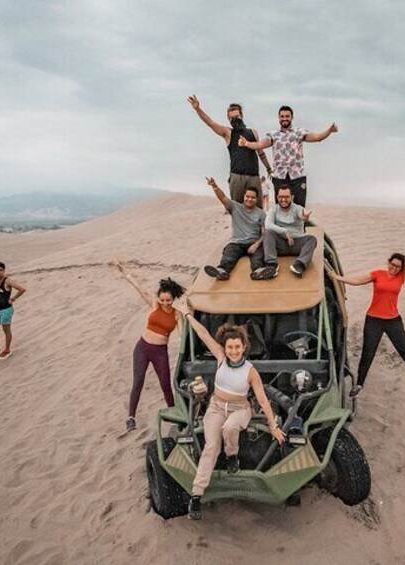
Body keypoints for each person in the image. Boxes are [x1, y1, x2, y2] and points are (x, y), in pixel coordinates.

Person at [177, 305, 286, 520]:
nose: (233, 351)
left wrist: (274, 426)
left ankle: (232, 456)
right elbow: (203, 334)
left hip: (240, 409)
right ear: (224, 348)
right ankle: (197, 495)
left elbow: (263, 399)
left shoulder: (250, 371)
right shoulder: (220, 359)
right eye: (230, 347)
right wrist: (188, 314)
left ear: (244, 347)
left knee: (230, 428)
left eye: (237, 347)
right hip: (216, 406)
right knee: (210, 447)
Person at [330, 242, 405, 397]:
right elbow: (358, 280)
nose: (394, 268)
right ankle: (359, 384)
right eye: (392, 265)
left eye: (397, 267)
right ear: (388, 262)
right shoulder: (377, 274)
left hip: (393, 320)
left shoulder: (402, 277)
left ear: (401, 268)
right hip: (373, 320)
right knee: (368, 353)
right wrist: (337, 278)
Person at [113, 260, 186, 432]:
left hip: (160, 352)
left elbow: (182, 335)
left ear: (173, 299)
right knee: (138, 381)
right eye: (162, 300)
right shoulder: (155, 305)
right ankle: (131, 417)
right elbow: (139, 288)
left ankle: (176, 415)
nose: (165, 303)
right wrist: (124, 272)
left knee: (166, 385)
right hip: (142, 348)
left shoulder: (177, 315)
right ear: (159, 298)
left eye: (168, 300)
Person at [237, 105, 337, 207]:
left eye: (287, 116)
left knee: (299, 209)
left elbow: (317, 137)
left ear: (292, 117)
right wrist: (246, 143)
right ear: (279, 118)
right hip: (280, 177)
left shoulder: (299, 132)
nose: (285, 118)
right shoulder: (273, 135)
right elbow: (259, 145)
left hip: (297, 176)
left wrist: (329, 131)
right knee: (280, 209)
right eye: (282, 116)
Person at [187, 96, 272, 206]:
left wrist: (269, 168)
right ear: (228, 119)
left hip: (253, 176)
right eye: (232, 118)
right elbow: (211, 123)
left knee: (258, 209)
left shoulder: (253, 132)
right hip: (237, 177)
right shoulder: (228, 133)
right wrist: (197, 109)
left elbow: (261, 153)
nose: (235, 120)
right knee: (237, 209)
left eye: (237, 116)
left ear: (242, 115)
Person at [202, 177, 267, 281]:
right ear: (244, 196)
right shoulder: (235, 207)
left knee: (258, 256)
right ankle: (222, 271)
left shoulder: (261, 214)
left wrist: (256, 245)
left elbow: (265, 233)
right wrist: (214, 186)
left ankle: (258, 271)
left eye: (252, 197)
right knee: (229, 253)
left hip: (253, 242)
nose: (249, 199)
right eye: (247, 196)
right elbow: (223, 198)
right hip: (237, 242)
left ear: (256, 199)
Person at [255, 186, 317, 280]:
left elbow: (302, 214)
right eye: (281, 197)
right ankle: (272, 265)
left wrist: (305, 216)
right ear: (277, 197)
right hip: (280, 245)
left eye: (287, 197)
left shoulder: (297, 208)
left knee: (312, 239)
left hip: (296, 244)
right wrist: (285, 231)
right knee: (268, 233)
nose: (283, 200)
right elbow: (268, 224)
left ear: (292, 197)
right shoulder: (274, 209)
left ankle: (299, 264)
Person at [0, 261, 26, 360]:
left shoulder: (7, 281)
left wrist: (13, 299)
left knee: (6, 330)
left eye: (1, 270)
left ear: (4, 271)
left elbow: (21, 289)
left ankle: (7, 350)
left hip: (6, 310)